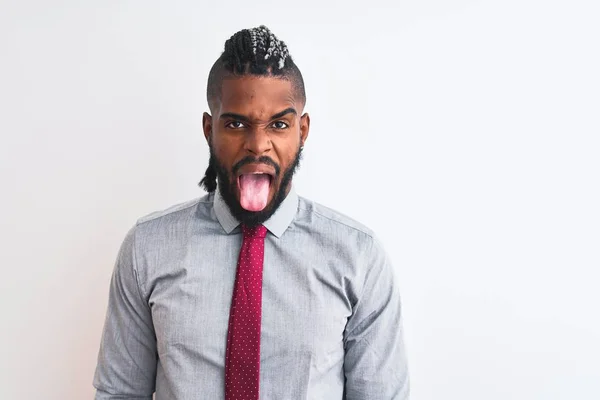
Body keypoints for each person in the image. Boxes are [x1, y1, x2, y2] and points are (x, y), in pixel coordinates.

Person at [93, 25, 409, 400]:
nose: (258, 145)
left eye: (278, 124)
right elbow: (119, 393)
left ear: (302, 131)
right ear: (209, 129)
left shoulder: (359, 257)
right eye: (236, 123)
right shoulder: (147, 247)